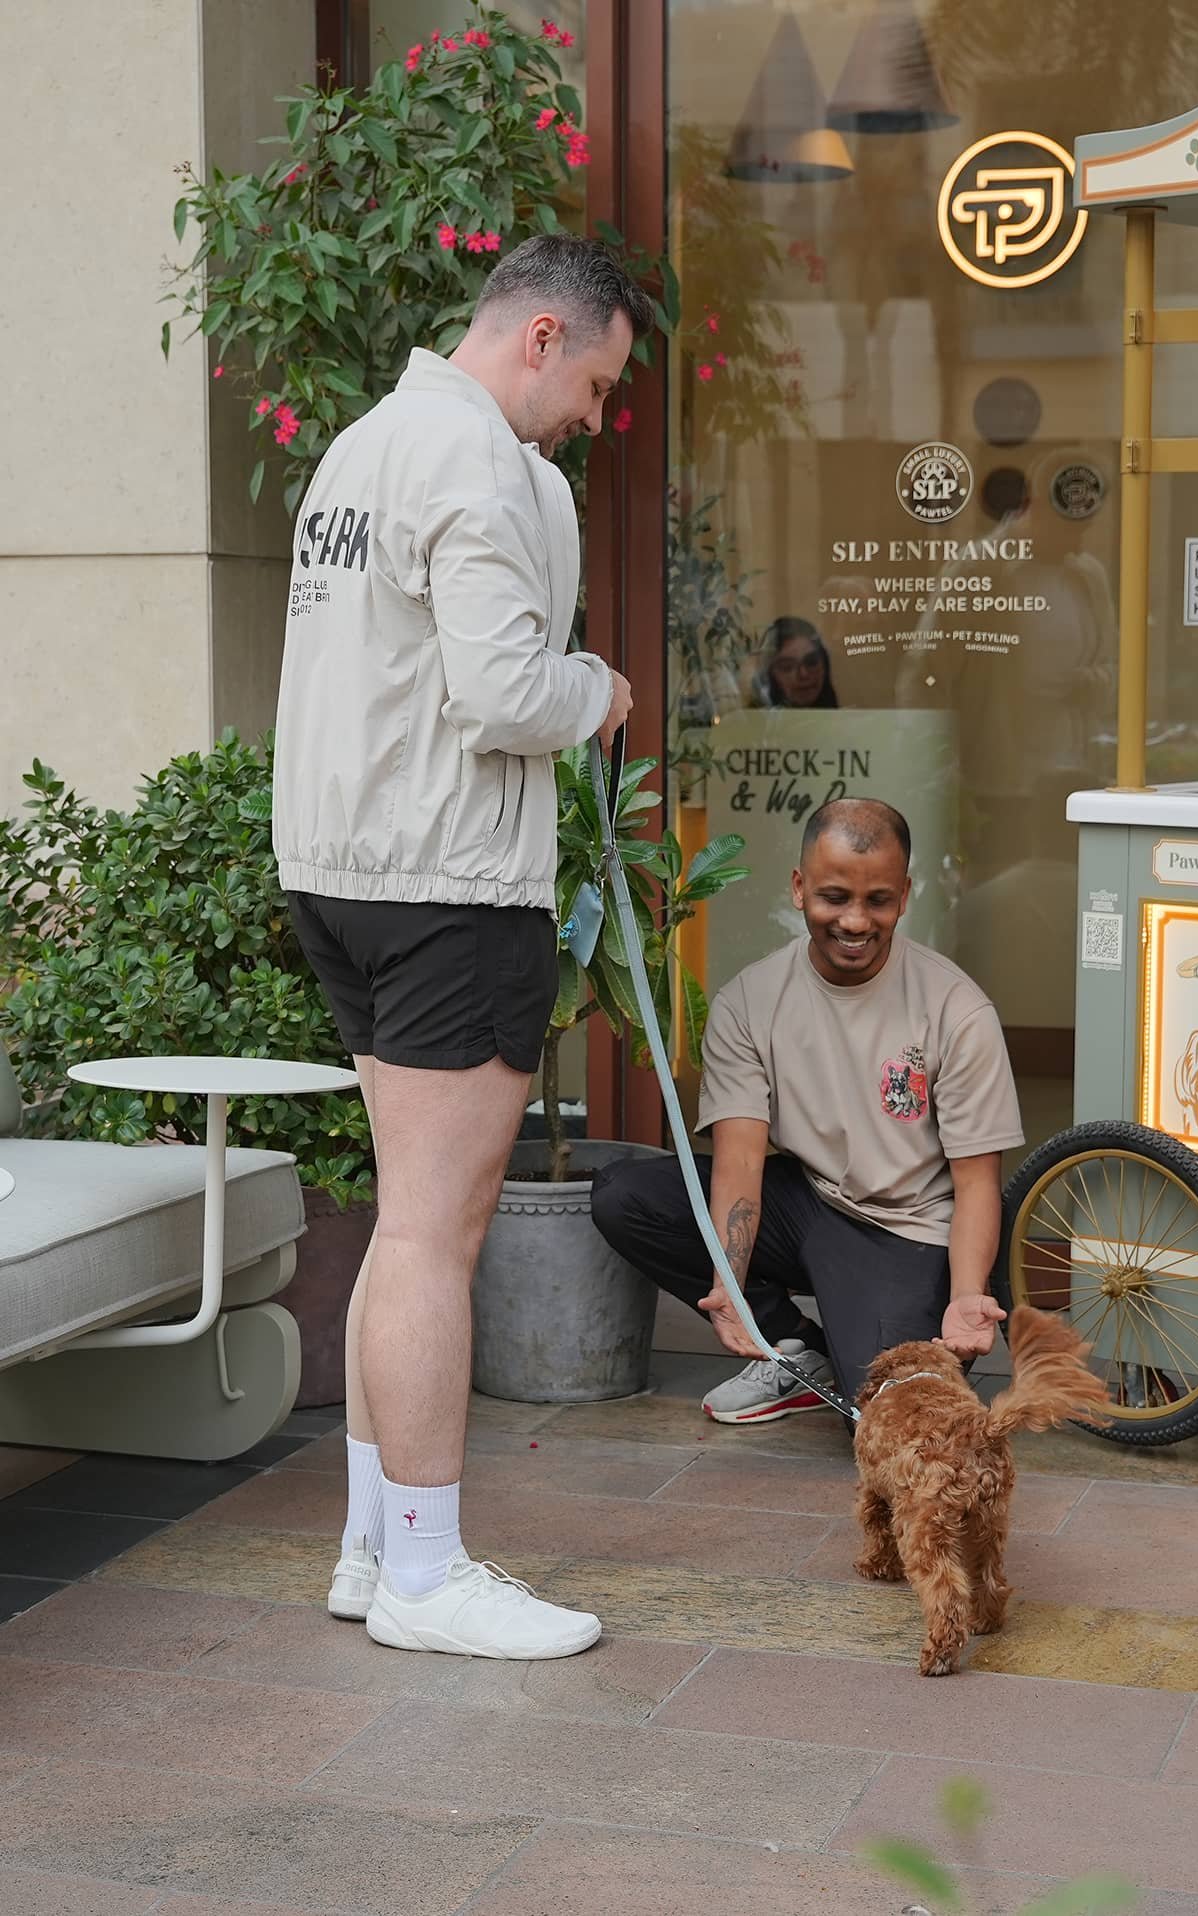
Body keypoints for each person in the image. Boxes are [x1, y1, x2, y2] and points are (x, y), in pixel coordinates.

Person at [271, 235, 649, 1657]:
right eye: (599, 384)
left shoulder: (364, 446)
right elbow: (501, 692)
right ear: (543, 337)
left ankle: (377, 1550)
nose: (594, 419)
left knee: (402, 1219)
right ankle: (426, 1571)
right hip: (446, 886)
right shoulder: (482, 462)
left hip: (341, 872)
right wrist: (599, 688)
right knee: (439, 1232)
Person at [590, 797, 1024, 1425]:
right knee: (626, 1196)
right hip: (809, 1202)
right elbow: (740, 1157)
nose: (854, 921)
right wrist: (730, 1287)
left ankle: (892, 1354)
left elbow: (977, 1182)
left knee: (887, 1415)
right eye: (834, 897)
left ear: (905, 895)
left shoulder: (958, 1009)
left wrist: (965, 1296)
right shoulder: (750, 1001)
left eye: (877, 900)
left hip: (908, 1227)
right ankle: (792, 1347)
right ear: (799, 889)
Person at [755, 617, 840, 709]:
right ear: (769, 675)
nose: (803, 674)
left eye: (811, 662)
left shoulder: (844, 721)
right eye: (787, 667)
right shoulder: (750, 720)